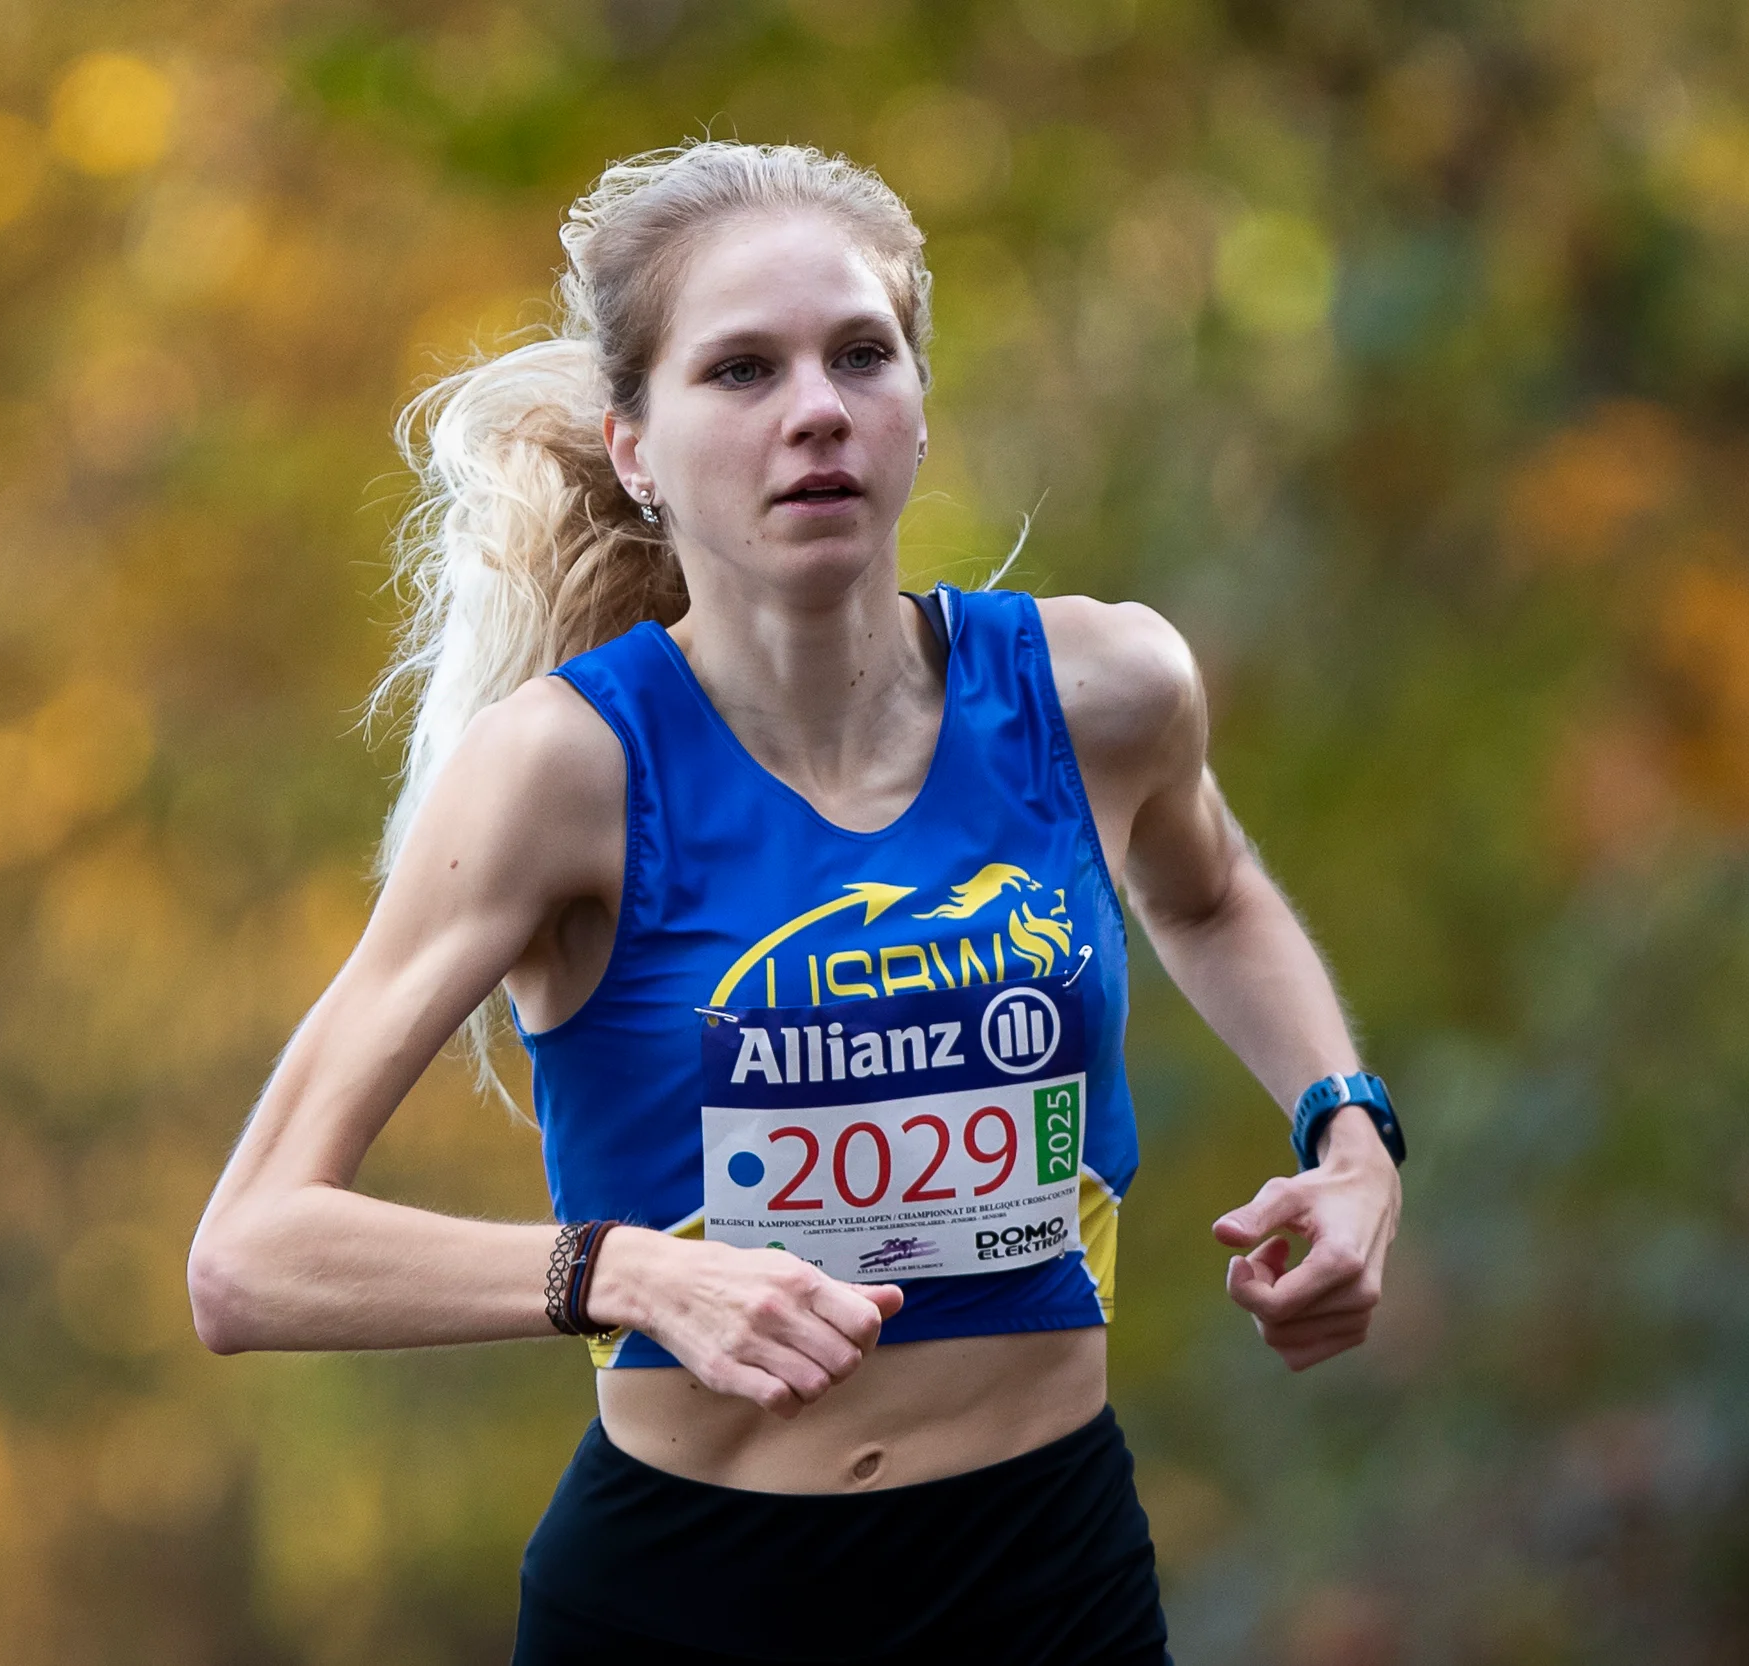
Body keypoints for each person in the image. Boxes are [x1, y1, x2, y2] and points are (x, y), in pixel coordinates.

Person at [187, 139, 1406, 1666]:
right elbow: (250, 1254)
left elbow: (1210, 895)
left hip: (1047, 1581)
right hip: (687, 1600)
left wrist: (1348, 1131)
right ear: (635, 447)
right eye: (743, 369)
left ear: (917, 404)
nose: (817, 407)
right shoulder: (564, 773)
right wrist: (627, 1269)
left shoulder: (1100, 689)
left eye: (860, 354)